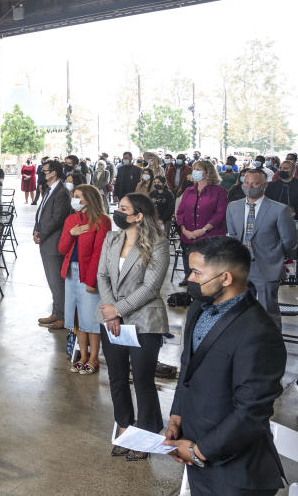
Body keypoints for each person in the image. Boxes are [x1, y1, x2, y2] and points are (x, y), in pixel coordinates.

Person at [163, 236, 287, 495]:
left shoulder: (258, 333)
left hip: (235, 472)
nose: (189, 280)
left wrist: (199, 452)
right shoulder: (199, 308)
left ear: (226, 278)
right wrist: (177, 415)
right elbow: (188, 367)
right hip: (197, 454)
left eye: (197, 273)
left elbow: (251, 412)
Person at [96, 193, 169, 461]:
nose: (117, 212)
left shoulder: (158, 244)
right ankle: (125, 428)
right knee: (116, 376)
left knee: (142, 379)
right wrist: (110, 310)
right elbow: (102, 275)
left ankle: (146, 434)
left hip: (145, 320)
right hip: (111, 319)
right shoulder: (112, 238)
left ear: (138, 215)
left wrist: (119, 309)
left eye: (123, 209)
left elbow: (151, 287)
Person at [224, 169, 297, 329]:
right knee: (239, 308)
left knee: (267, 310)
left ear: (264, 185)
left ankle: (271, 346)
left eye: (255, 183)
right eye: (246, 183)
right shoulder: (233, 207)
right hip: (240, 266)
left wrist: (275, 256)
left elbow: (289, 241)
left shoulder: (279, 209)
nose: (249, 187)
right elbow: (233, 235)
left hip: (266, 266)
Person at [58, 185, 111, 375]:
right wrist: (71, 233)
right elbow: (62, 249)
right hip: (71, 273)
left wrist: (91, 281)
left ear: (89, 199)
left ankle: (94, 358)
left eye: (78, 196)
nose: (74, 200)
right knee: (78, 318)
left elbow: (99, 254)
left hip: (88, 272)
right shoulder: (71, 219)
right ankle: (82, 356)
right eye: (73, 196)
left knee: (91, 318)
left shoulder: (102, 221)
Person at [175, 160, 228, 285]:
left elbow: (220, 214)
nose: (195, 172)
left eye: (199, 169)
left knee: (207, 272)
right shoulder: (188, 191)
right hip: (187, 235)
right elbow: (180, 211)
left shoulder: (219, 191)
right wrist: (184, 230)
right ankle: (189, 283)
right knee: (190, 264)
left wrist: (203, 230)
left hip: (210, 237)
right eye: (194, 169)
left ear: (208, 172)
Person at [35, 159, 73, 331]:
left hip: (53, 240)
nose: (43, 173)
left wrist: (42, 234)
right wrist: (36, 230)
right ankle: (56, 312)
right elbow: (42, 212)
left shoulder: (62, 192)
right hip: (45, 239)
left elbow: (57, 219)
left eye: (45, 171)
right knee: (51, 280)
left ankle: (64, 317)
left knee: (58, 281)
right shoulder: (50, 190)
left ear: (54, 173)